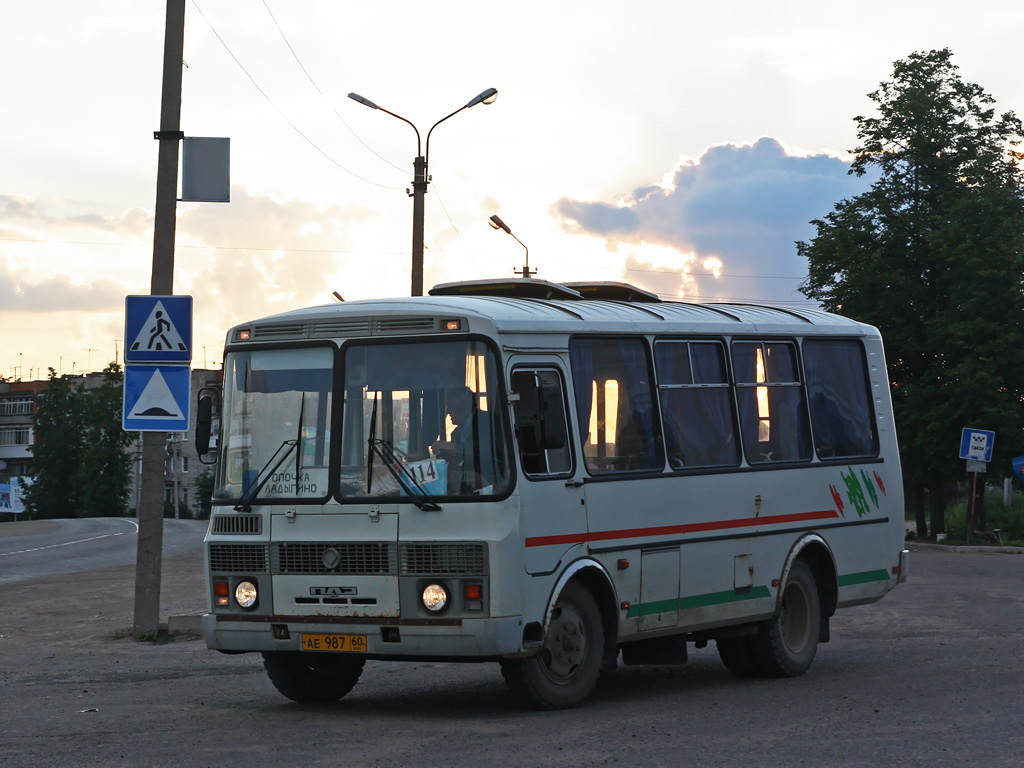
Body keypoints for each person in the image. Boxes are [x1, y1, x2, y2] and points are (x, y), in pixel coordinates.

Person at [433, 386, 494, 495]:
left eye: (451, 405)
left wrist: (452, 447)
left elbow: (485, 448)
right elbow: (461, 462)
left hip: (491, 486)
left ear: (465, 405)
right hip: (469, 485)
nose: (448, 411)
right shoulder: (456, 433)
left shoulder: (487, 421)